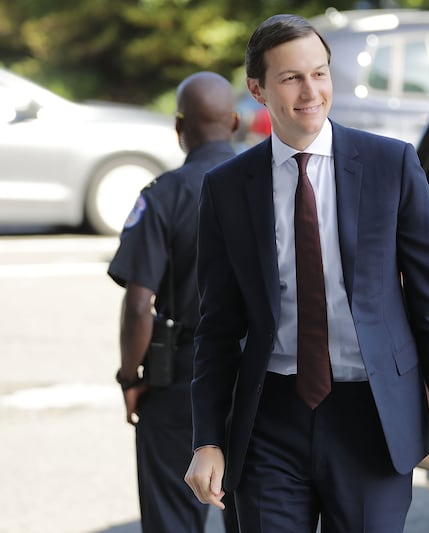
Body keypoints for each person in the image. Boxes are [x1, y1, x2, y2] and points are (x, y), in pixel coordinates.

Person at [183, 13, 429, 533]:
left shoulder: (391, 165)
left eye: (319, 73)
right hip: (271, 418)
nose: (311, 91)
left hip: (372, 417)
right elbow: (218, 327)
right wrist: (207, 439)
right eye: (291, 78)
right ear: (257, 89)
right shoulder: (227, 188)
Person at [108, 71, 240, 533]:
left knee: (172, 516)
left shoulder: (165, 194)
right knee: (259, 513)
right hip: (264, 373)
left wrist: (131, 377)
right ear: (235, 122)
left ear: (180, 127)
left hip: (182, 376)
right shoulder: (270, 185)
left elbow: (138, 304)